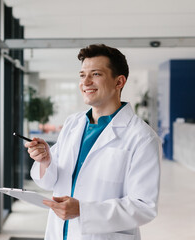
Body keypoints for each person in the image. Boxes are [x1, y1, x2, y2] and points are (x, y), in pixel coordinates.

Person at [25, 44, 161, 240]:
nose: (85, 82)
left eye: (95, 74)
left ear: (119, 82)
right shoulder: (74, 123)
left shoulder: (142, 137)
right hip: (59, 233)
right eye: (82, 75)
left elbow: (144, 206)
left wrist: (83, 210)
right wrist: (45, 161)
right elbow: (49, 181)